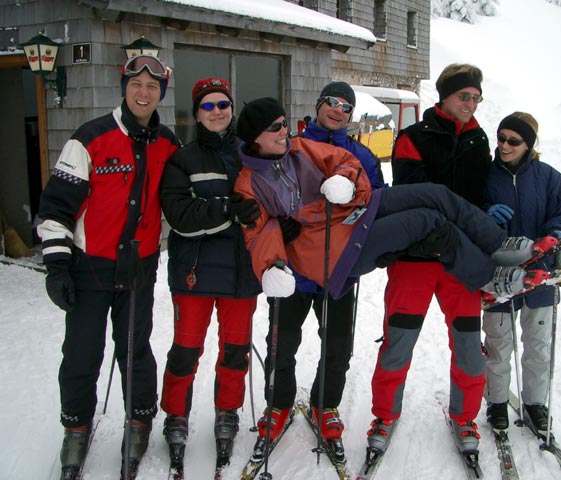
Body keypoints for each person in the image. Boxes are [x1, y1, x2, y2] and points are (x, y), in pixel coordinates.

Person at [232, 97, 543, 455]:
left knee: (436, 195)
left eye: (284, 122)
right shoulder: (249, 183)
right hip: (333, 250)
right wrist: (270, 265)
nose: (284, 131)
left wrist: (344, 180)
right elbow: (259, 232)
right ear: (255, 137)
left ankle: (497, 243)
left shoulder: (300, 148)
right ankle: (489, 277)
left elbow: (345, 161)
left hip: (356, 210)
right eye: (274, 127)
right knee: (428, 221)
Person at [36, 55, 180, 477]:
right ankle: (76, 427)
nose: (143, 92)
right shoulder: (90, 139)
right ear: (124, 87)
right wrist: (58, 267)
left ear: (160, 94)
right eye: (136, 84)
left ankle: (139, 418)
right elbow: (57, 208)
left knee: (135, 349)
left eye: (152, 87)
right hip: (91, 268)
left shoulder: (168, 144)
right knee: (82, 352)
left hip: (140, 268)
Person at [368, 63, 493, 458]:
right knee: (398, 341)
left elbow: (483, 197)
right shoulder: (412, 137)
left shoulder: (479, 140)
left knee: (470, 345)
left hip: (462, 262)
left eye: (476, 98)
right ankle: (385, 414)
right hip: (416, 259)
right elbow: (414, 196)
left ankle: (464, 416)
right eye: (464, 97)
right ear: (444, 96)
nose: (470, 104)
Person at [257, 82, 386, 454]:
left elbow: (376, 201)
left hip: (340, 270)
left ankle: (324, 404)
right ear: (318, 105)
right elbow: (266, 192)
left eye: (346, 106)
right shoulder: (290, 147)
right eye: (331, 101)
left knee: (337, 344)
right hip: (294, 268)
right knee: (281, 342)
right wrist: (279, 223)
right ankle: (278, 404)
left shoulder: (360, 155)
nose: (337, 109)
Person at [158, 78, 262, 464]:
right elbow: (180, 217)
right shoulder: (183, 159)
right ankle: (175, 415)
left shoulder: (250, 154)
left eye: (223, 104)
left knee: (235, 352)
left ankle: (227, 412)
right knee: (185, 351)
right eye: (208, 105)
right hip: (195, 273)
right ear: (197, 112)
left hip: (241, 274)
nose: (217, 111)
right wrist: (225, 210)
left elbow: (271, 200)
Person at [482, 112, 561, 434]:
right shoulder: (485, 176)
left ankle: (535, 403)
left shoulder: (550, 178)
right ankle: (496, 402)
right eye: (501, 138)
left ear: (529, 144)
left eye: (513, 141)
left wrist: (554, 234)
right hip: (499, 274)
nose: (504, 145)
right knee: (498, 342)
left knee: (537, 343)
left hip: (540, 273)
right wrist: (485, 215)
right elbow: (469, 212)